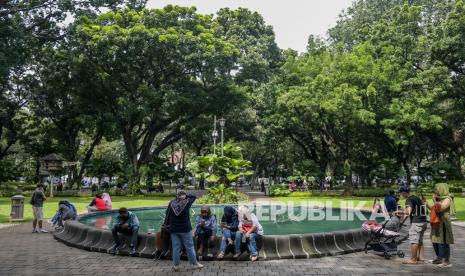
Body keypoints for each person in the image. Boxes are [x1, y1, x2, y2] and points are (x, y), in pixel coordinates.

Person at [166, 190, 203, 271]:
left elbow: (167, 214)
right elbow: (194, 196)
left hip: (174, 229)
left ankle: (176, 266)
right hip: (185, 229)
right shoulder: (187, 203)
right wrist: (187, 195)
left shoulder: (172, 203)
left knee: (176, 248)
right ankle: (194, 264)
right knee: (189, 247)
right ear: (184, 196)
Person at [424, 183, 455, 268]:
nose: (435, 191)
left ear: (442, 189)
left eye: (437, 189)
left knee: (443, 241)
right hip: (436, 221)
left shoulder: (448, 199)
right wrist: (425, 202)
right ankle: (439, 258)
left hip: (444, 222)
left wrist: (434, 200)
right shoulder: (439, 199)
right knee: (435, 240)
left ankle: (447, 261)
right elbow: (433, 208)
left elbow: (440, 208)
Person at [400, 186, 427, 264]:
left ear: (404, 193)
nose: (401, 195)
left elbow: (408, 212)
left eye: (401, 193)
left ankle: (413, 259)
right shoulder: (416, 198)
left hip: (416, 222)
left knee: (414, 241)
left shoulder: (409, 200)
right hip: (423, 221)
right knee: (420, 240)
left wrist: (398, 212)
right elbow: (423, 208)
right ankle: (421, 257)